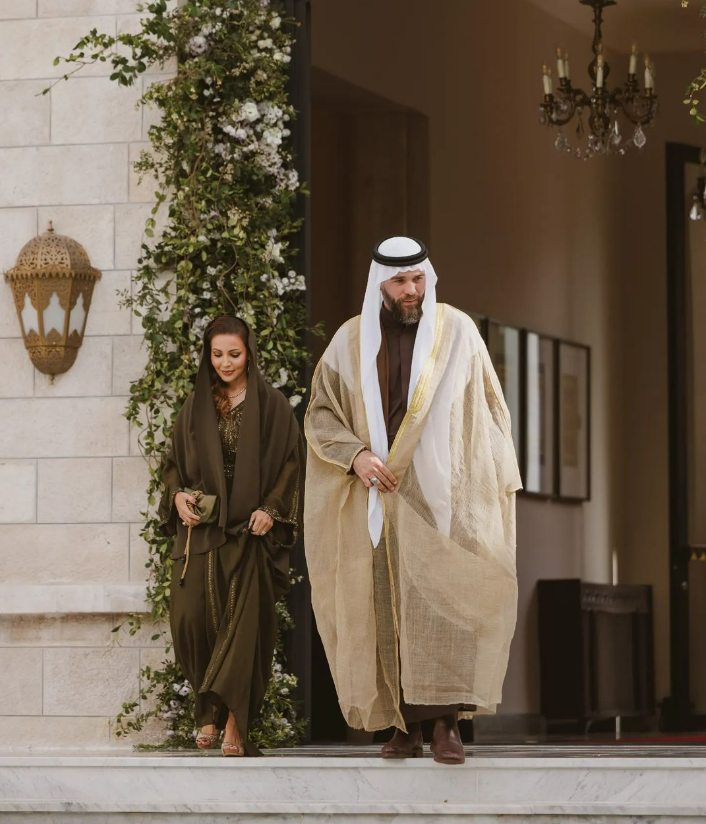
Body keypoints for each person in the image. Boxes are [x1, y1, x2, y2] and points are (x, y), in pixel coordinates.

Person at [304, 236, 521, 765]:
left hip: (441, 495)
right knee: (385, 605)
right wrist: (355, 456)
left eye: (418, 279)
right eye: (400, 281)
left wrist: (485, 485)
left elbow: (488, 409)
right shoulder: (349, 341)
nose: (411, 290)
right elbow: (321, 412)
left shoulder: (458, 332)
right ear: (380, 283)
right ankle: (403, 725)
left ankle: (446, 725)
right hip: (378, 494)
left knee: (442, 610)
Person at [159, 315, 303, 757]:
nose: (225, 363)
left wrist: (271, 510)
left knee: (244, 629)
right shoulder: (195, 405)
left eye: (234, 354)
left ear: (249, 354)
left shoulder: (272, 405)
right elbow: (172, 464)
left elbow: (291, 465)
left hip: (249, 532)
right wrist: (177, 496)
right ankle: (208, 707)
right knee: (190, 620)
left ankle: (235, 723)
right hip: (202, 530)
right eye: (217, 354)